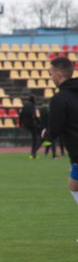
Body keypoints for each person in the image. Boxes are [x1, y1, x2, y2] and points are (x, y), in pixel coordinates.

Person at [42, 57, 78, 238]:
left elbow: (55, 128)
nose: (50, 78)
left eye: (50, 74)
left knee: (74, 186)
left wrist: (46, 134)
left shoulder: (60, 98)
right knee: (74, 185)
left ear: (57, 74)